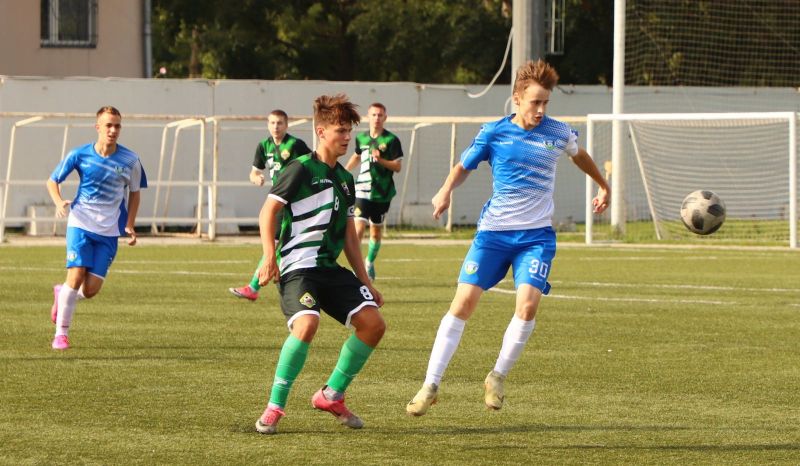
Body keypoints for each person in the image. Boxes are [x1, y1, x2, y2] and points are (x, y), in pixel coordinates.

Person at [405, 60, 610, 416]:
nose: (541, 110)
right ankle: (430, 385)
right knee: (462, 304)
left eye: (546, 102)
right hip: (493, 235)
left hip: (536, 238)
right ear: (517, 99)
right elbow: (463, 166)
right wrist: (445, 191)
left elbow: (580, 156)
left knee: (527, 306)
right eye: (535, 102)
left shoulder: (558, 132)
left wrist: (603, 185)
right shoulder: (493, 133)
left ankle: (497, 376)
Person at [254, 94, 386, 435]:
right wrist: (269, 256)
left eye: (349, 131)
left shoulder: (345, 179)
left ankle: (331, 395)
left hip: (329, 269)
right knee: (307, 323)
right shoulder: (299, 169)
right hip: (297, 267)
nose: (347, 137)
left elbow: (349, 236)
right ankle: (274, 406)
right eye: (341, 130)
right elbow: (268, 211)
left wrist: (365, 281)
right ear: (321, 131)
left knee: (373, 325)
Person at [47, 106, 148, 350]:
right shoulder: (79, 154)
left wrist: (130, 224)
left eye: (117, 126)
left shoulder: (131, 160)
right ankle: (61, 334)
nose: (113, 130)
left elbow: (135, 193)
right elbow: (52, 180)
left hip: (109, 231)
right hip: (80, 223)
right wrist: (59, 201)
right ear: (98, 127)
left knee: (90, 290)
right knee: (76, 275)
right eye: (108, 125)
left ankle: (63, 293)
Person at [229, 109, 311, 301]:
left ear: (286, 125)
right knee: (278, 244)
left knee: (278, 245)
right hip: (279, 201)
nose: (276, 127)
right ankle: (261, 284)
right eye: (272, 123)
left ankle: (256, 286)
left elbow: (313, 164)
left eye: (280, 123)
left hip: (295, 201)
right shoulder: (264, 146)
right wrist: (256, 178)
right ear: (268, 125)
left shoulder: (296, 145)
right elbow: (254, 172)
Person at [344, 102, 403, 281]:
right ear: (368, 117)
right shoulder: (361, 138)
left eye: (380, 115)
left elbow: (397, 167)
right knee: (358, 229)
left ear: (385, 117)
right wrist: (343, 173)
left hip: (382, 193)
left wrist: (381, 160)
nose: (376, 118)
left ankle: (369, 262)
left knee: (375, 233)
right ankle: (358, 269)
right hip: (362, 190)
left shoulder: (391, 140)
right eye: (374, 115)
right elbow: (356, 156)